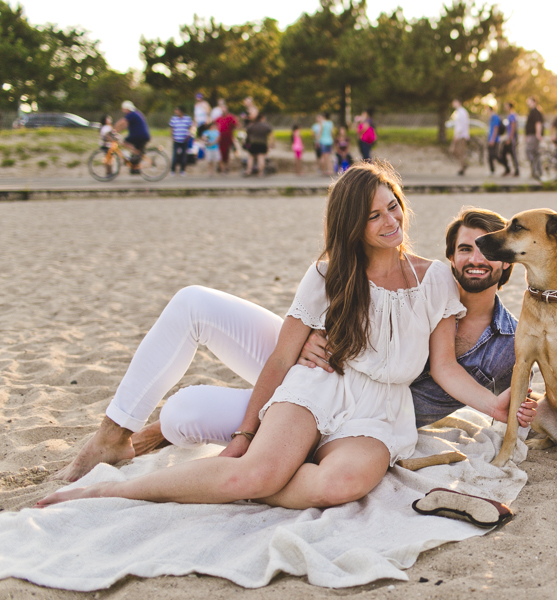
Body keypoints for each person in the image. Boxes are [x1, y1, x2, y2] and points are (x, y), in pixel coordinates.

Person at [39, 162, 530, 510]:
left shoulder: (437, 280)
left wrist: (494, 407)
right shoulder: (329, 273)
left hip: (380, 411)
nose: (391, 221)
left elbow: (444, 367)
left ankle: (242, 477)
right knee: (252, 469)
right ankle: (109, 491)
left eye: (394, 207)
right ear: (353, 225)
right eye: (375, 214)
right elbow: (279, 360)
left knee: (340, 485)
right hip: (319, 385)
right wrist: (244, 436)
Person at [115, 101, 150, 174]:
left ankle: (134, 151)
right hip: (143, 135)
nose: (123, 110)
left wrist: (114, 130)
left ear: (127, 109)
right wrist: (118, 130)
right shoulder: (136, 113)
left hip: (139, 136)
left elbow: (122, 122)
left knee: (123, 142)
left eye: (123, 109)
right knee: (137, 154)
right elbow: (125, 125)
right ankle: (135, 169)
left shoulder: (131, 114)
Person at [169, 106, 193, 176]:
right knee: (175, 155)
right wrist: (172, 136)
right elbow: (171, 128)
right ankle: (173, 170)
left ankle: (182, 170)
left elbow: (190, 127)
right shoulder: (174, 118)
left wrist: (189, 135)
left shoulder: (187, 119)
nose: (176, 112)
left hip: (184, 140)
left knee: (184, 156)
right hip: (176, 139)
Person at [524, 96, 544, 180]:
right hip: (531, 135)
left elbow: (538, 123)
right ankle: (537, 171)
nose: (528, 103)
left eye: (529, 101)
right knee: (536, 153)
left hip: (533, 136)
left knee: (529, 151)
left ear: (534, 102)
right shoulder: (532, 111)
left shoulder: (535, 111)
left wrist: (538, 134)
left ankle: (536, 171)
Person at [216, 103, 239, 174]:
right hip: (220, 138)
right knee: (221, 153)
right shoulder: (218, 118)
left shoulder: (230, 117)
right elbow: (215, 126)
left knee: (227, 152)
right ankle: (222, 168)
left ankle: (226, 167)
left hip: (228, 138)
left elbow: (236, 125)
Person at [450, 99, 470, 175]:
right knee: (454, 151)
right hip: (458, 135)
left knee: (460, 151)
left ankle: (463, 166)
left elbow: (461, 125)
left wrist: (457, 135)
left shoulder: (462, 112)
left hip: (461, 136)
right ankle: (464, 165)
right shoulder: (457, 112)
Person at [500, 101, 519, 177]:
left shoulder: (512, 115)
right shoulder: (508, 116)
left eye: (506, 106)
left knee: (513, 154)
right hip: (508, 138)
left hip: (511, 139)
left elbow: (513, 127)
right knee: (503, 154)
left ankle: (516, 171)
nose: (505, 107)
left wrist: (510, 138)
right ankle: (507, 169)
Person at [486, 105, 503, 175]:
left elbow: (496, 128)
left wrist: (492, 139)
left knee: (494, 155)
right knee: (490, 156)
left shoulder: (495, 117)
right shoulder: (491, 117)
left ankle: (505, 165)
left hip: (495, 140)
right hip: (491, 139)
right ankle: (492, 170)